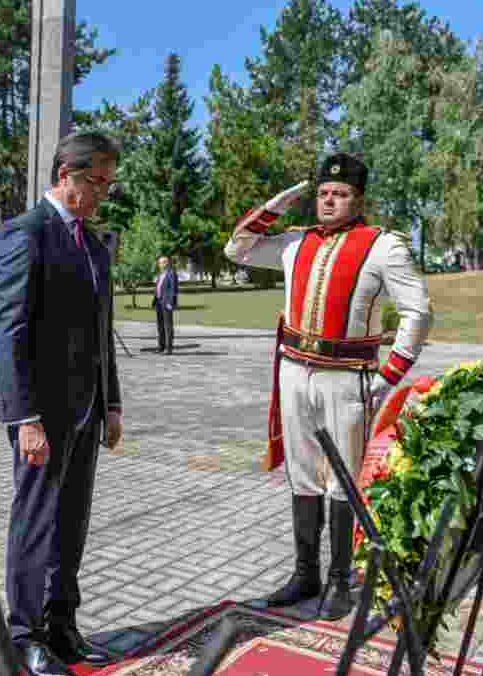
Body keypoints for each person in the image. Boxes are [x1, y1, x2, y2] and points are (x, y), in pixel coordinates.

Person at [223, 154, 431, 621]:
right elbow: (237, 248)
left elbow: (418, 312)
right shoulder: (295, 243)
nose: (329, 201)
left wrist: (390, 375)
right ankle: (305, 574)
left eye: (340, 194)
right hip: (295, 370)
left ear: (359, 199)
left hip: (347, 376)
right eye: (322, 193)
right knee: (301, 473)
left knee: (342, 477)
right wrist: (281, 202)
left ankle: (339, 580)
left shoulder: (383, 246)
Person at [0, 130, 124, 676]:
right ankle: (25, 634)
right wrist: (24, 418)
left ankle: (63, 623)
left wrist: (111, 402)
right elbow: (9, 331)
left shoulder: (93, 244)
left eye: (108, 184)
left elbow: (101, 330)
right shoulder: (27, 234)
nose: (102, 194)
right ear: (66, 174)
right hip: (42, 415)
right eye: (97, 182)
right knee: (36, 522)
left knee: (72, 522)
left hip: (87, 411)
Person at [153, 255, 178, 354]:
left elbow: (173, 289)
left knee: (168, 326)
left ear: (168, 263)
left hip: (166, 303)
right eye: (160, 262)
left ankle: (168, 348)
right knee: (160, 326)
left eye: (164, 262)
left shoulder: (171, 273)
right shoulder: (160, 274)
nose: (161, 264)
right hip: (159, 303)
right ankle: (161, 346)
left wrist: (170, 302)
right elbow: (158, 288)